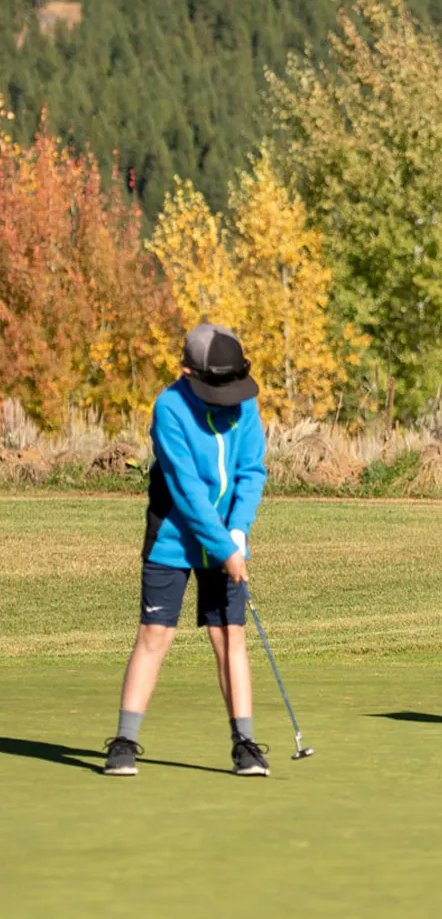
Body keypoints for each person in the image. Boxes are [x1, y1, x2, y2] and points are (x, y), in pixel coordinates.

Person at [104, 324, 269, 778]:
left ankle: (245, 744)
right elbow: (186, 488)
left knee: (230, 636)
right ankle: (124, 740)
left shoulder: (246, 403)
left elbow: (252, 470)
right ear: (187, 372)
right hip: (173, 537)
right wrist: (224, 547)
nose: (227, 395)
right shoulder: (169, 407)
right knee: (155, 635)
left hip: (226, 540)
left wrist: (237, 532)